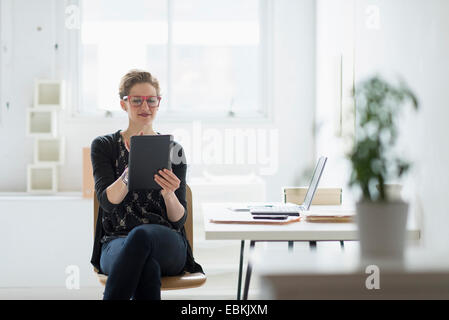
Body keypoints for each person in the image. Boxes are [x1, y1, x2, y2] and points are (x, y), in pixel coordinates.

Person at [90, 69, 203, 300]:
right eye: (136, 101)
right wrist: (129, 172)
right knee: (147, 267)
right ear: (124, 104)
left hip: (167, 242)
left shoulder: (174, 151)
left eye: (151, 100)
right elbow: (107, 202)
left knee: (141, 235)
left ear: (158, 103)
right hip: (116, 242)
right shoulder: (104, 146)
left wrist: (170, 194)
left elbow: (178, 218)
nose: (145, 107)